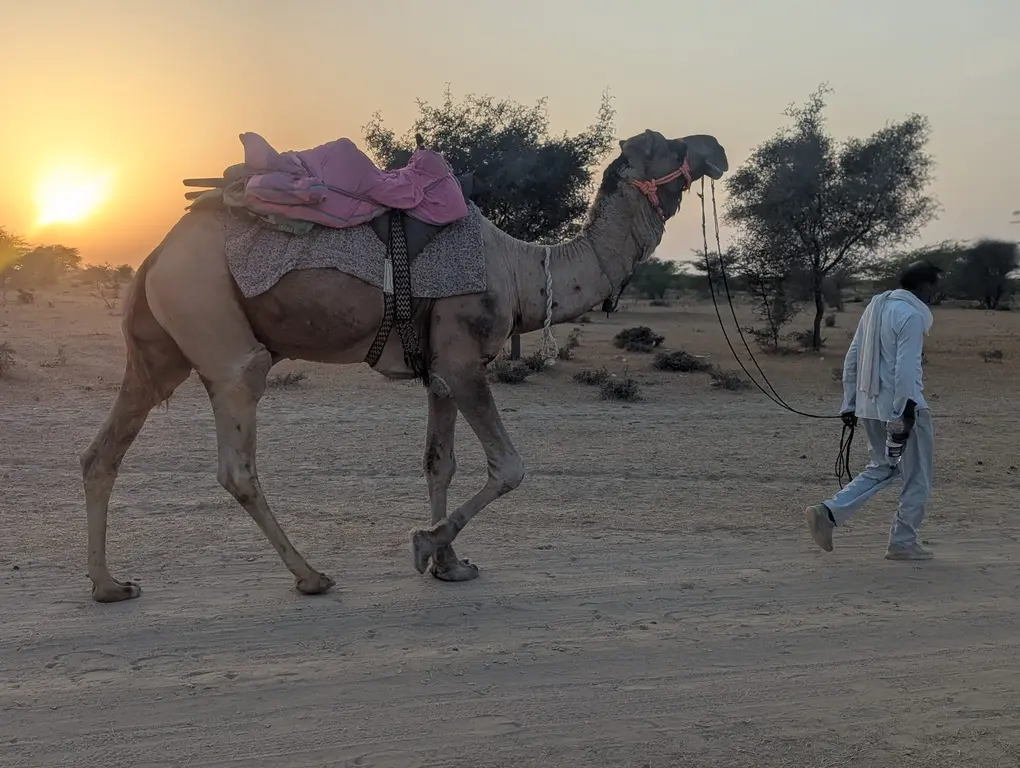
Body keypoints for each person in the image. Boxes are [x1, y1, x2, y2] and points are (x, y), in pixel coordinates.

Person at [805, 260, 941, 560]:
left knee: (883, 467)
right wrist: (905, 414)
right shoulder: (911, 315)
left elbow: (853, 356)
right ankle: (903, 542)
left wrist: (850, 402)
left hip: (869, 404)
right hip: (904, 410)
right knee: (917, 476)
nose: (935, 294)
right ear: (923, 286)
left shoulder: (875, 307)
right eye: (934, 287)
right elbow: (906, 369)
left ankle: (828, 512)